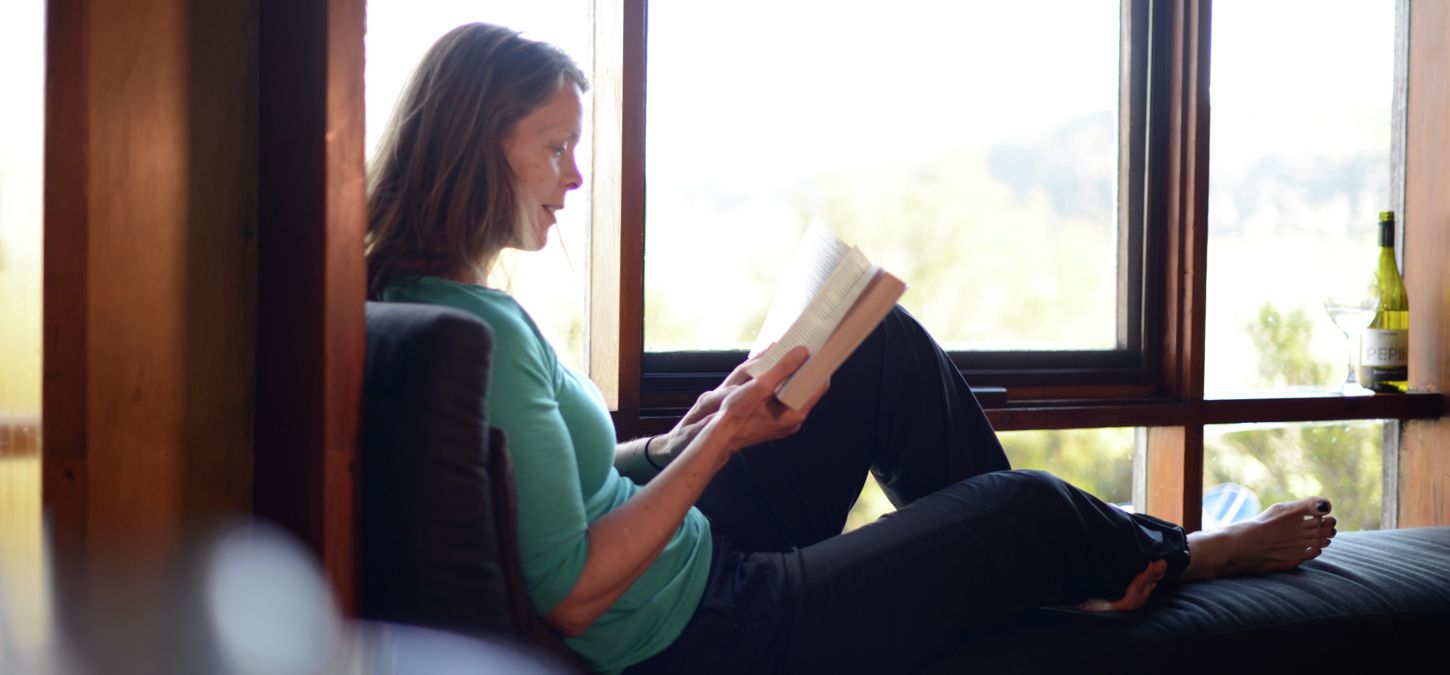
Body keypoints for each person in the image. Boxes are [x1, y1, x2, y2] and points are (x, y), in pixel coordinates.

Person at [365, 23, 1339, 675]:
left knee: (878, 352)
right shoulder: (470, 335)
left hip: (691, 556)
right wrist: (719, 445)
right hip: (706, 627)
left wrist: (678, 441)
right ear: (471, 146)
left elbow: (563, 495)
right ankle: (1166, 559)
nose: (575, 178)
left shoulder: (437, 303)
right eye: (554, 148)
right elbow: (572, 593)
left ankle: (1054, 568)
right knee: (1023, 504)